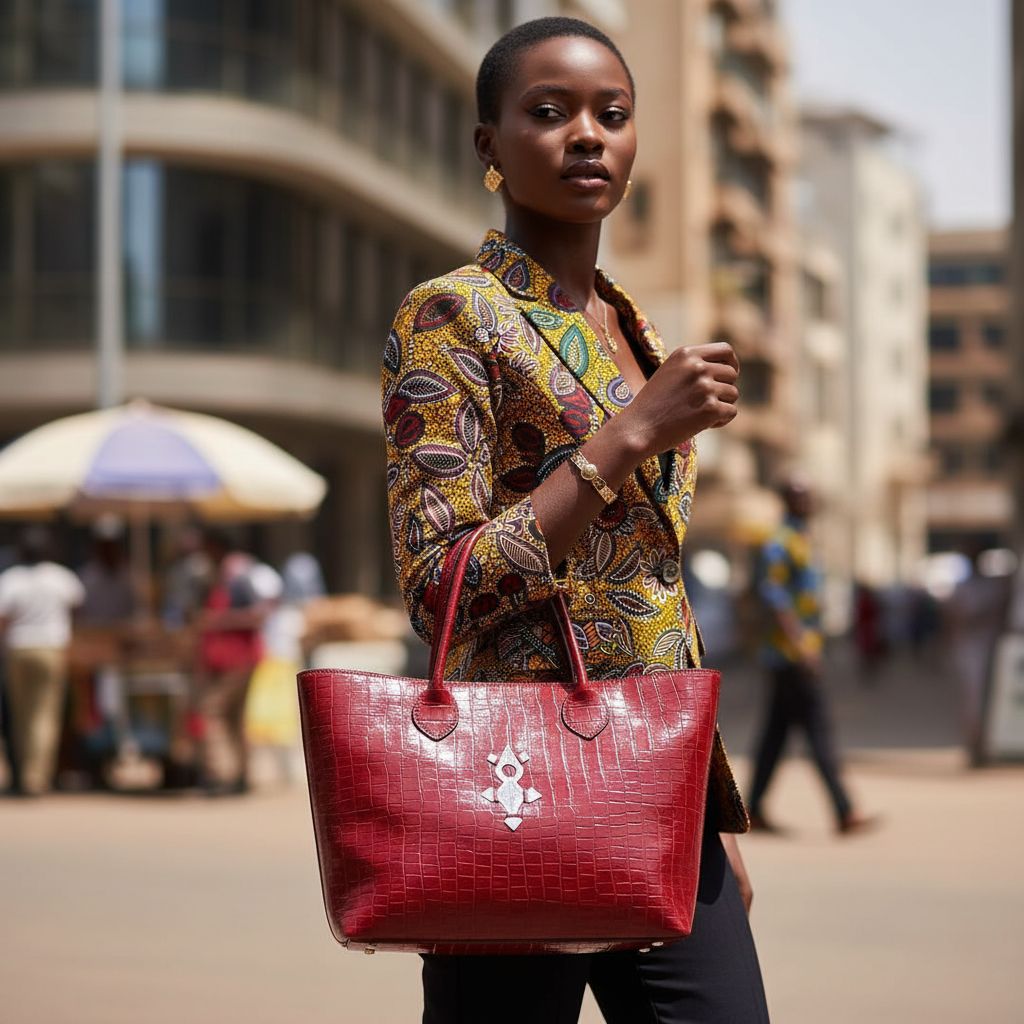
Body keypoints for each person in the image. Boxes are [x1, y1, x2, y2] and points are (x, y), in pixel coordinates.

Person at [383, 18, 767, 1023]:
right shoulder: (449, 316)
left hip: (659, 789)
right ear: (488, 147)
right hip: (513, 782)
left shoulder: (630, 325)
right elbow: (441, 585)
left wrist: (706, 804)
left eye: (612, 114)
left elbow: (652, 585)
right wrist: (628, 434)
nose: (587, 135)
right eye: (548, 113)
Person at [746, 477, 875, 836]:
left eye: (809, 496)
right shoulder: (779, 542)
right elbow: (774, 598)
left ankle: (753, 808)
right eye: (800, 496)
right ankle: (845, 810)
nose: (807, 502)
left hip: (802, 648)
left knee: (776, 734)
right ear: (787, 500)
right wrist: (801, 644)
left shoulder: (803, 539)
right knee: (818, 729)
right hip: (789, 653)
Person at [0, 526, 84, 795]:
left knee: (22, 715)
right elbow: (79, 607)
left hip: (18, 650)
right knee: (44, 714)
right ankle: (35, 777)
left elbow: (3, 619)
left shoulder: (11, 579)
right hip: (50, 649)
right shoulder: (60, 577)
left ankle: (25, 774)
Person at [193, 529, 278, 796]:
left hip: (238, 657)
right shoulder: (220, 575)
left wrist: (218, 621)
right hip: (229, 658)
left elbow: (258, 614)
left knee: (211, 711)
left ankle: (221, 773)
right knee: (234, 717)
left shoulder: (238, 576)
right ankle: (240, 774)